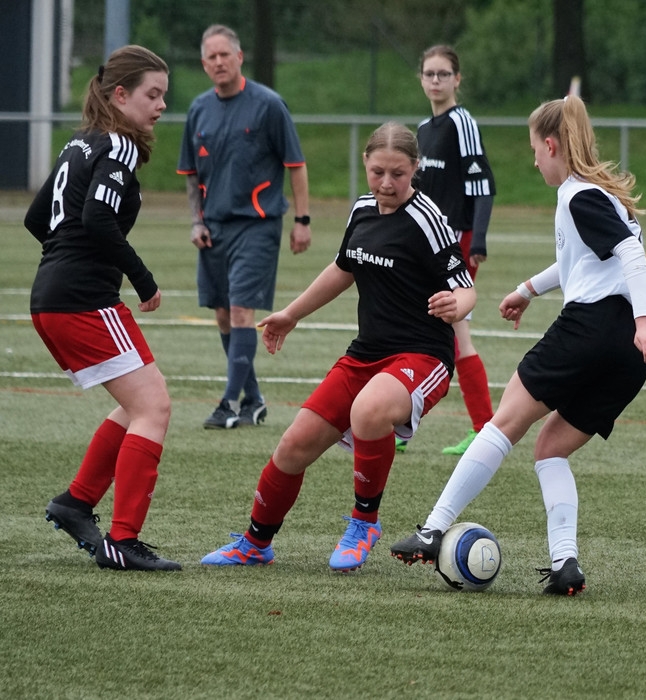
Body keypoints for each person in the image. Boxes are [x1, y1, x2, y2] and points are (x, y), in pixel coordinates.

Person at [391, 95, 646, 596]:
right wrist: (527, 290)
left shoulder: (578, 194)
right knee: (550, 449)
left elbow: (629, 252)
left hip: (594, 327)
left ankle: (433, 529)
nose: (534, 161)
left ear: (552, 145)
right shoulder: (600, 195)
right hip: (626, 354)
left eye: (535, 149)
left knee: (504, 423)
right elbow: (581, 260)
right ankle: (565, 564)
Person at [201, 122, 476, 571]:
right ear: (365, 164)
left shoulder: (428, 219)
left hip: (423, 356)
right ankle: (254, 543)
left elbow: (466, 288)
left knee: (368, 410)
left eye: (398, 174)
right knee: (293, 446)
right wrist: (291, 313)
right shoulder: (363, 210)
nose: (386, 183)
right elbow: (343, 268)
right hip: (366, 353)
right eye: (378, 172)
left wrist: (455, 304)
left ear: (415, 168)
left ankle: (364, 523)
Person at [25, 45, 181, 571]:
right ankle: (124, 541)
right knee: (154, 407)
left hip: (53, 297)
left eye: (163, 95)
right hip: (83, 300)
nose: (161, 105)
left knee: (137, 405)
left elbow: (36, 218)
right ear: (120, 95)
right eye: (152, 94)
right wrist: (142, 278)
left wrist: (63, 261)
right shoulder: (119, 144)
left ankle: (75, 503)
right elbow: (96, 218)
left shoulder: (82, 141)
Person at [177, 24, 312, 429]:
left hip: (257, 226)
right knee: (223, 315)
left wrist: (302, 220)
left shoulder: (268, 105)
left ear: (239, 58)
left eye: (225, 54)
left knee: (240, 310)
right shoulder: (198, 109)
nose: (219, 62)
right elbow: (190, 174)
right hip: (213, 229)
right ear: (204, 64)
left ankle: (229, 404)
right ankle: (253, 400)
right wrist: (196, 221)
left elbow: (296, 165)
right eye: (211, 57)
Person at [395, 45, 497, 456]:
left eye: (443, 74)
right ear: (420, 79)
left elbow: (483, 186)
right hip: (426, 243)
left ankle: (484, 429)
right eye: (429, 74)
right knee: (415, 328)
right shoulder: (423, 129)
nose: (435, 80)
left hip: (457, 243)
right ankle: (399, 422)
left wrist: (478, 240)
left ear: (457, 79)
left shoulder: (462, 122)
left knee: (456, 334)